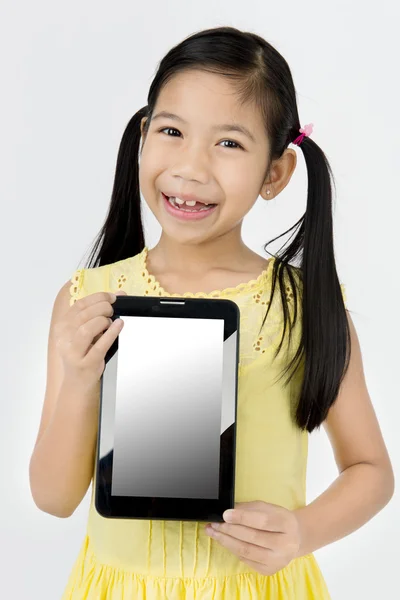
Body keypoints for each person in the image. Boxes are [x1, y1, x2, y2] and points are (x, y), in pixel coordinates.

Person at [29, 25, 394, 600]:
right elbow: (52, 498)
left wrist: (302, 532)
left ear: (275, 173)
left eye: (228, 143)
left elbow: (371, 470)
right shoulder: (87, 299)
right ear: (144, 136)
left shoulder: (304, 307)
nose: (192, 168)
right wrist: (79, 381)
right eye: (172, 131)